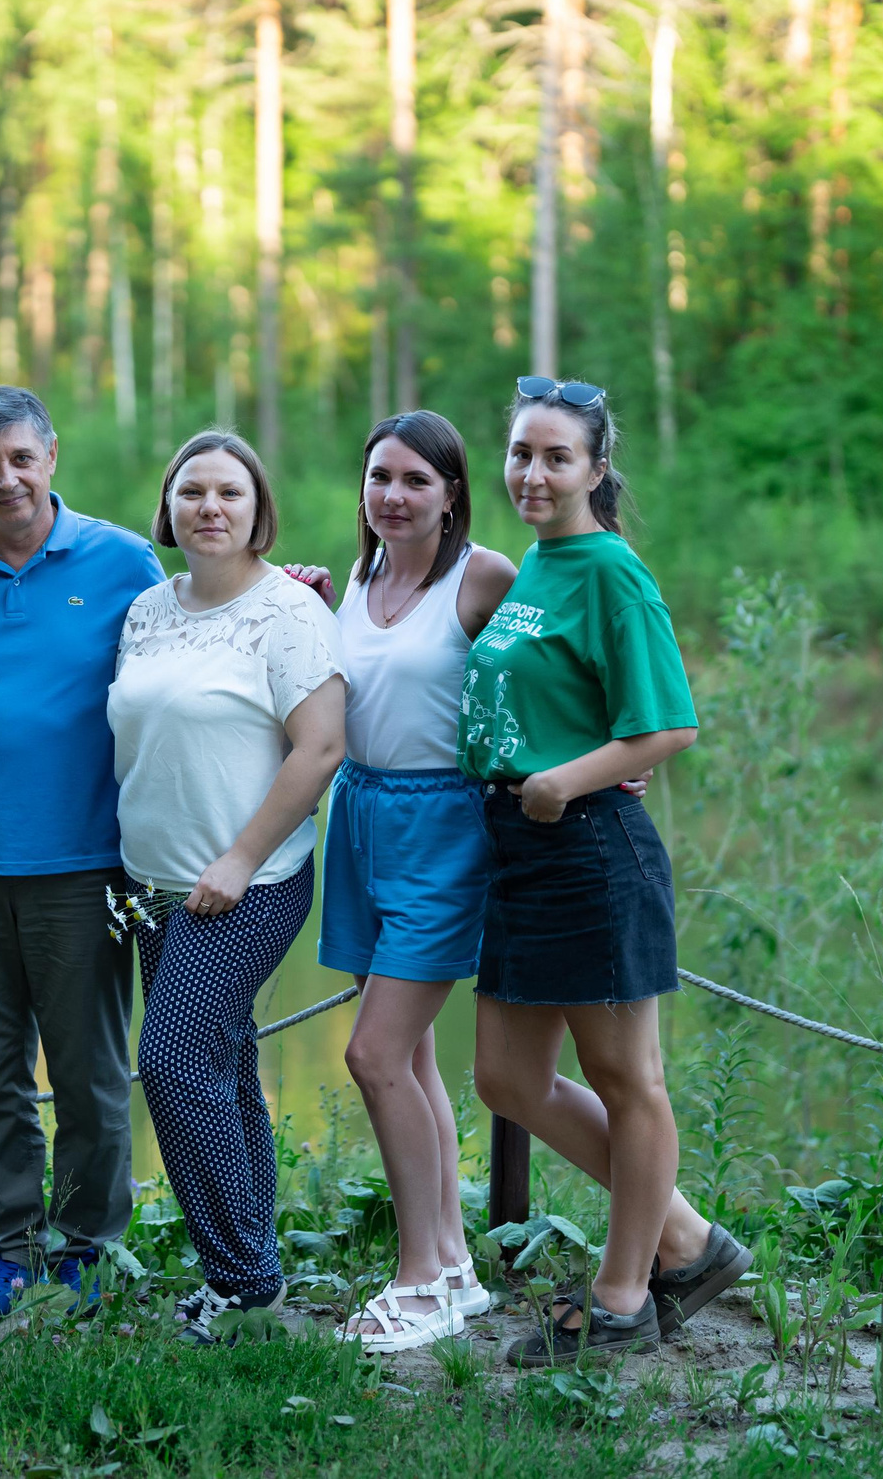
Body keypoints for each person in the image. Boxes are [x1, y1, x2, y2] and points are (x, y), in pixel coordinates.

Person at [461, 377, 750, 1364]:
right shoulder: (536, 568)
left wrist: (560, 783)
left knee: (626, 1078)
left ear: (593, 468)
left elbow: (665, 725)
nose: (531, 474)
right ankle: (686, 1240)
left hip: (585, 845)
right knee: (505, 1077)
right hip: (516, 849)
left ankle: (624, 1295)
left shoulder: (609, 573)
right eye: (520, 455)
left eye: (554, 457)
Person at [0, 388, 164, 1317]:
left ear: (50, 454)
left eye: (20, 457)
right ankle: (9, 1251)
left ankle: (86, 1249)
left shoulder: (124, 559)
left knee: (89, 1072)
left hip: (84, 861)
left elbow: (199, 647)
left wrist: (286, 590)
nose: (5, 477)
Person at [108, 430, 347, 1345]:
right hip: (153, 885)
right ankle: (254, 1275)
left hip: (245, 883)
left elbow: (320, 747)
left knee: (170, 1060)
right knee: (221, 1060)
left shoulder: (289, 612)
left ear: (259, 512)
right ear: (168, 508)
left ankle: (241, 1282)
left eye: (230, 494)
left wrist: (241, 856)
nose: (210, 507)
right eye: (192, 491)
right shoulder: (146, 609)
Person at [315, 412, 518, 1353]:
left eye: (413, 481)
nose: (392, 495)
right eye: (379, 477)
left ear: (450, 493)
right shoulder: (355, 578)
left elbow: (557, 663)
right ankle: (452, 1268)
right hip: (360, 818)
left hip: (444, 826)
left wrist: (614, 749)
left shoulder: (482, 575)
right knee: (416, 1057)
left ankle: (416, 1278)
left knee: (375, 1054)